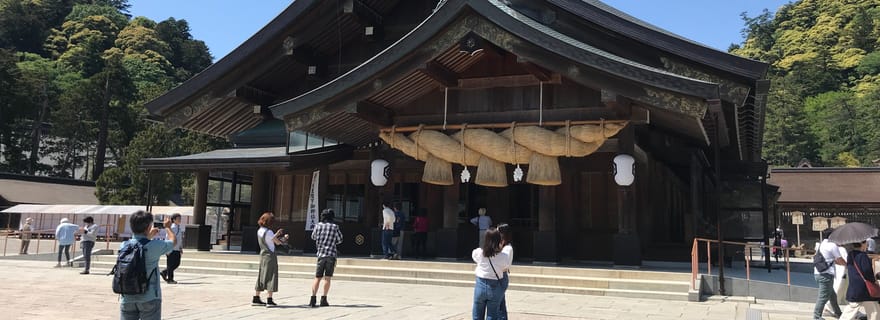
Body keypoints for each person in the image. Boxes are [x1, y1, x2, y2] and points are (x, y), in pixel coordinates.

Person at [119, 210, 176, 320]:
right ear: (149, 226)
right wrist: (168, 227)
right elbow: (173, 242)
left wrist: (148, 235)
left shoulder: (124, 245)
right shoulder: (155, 246)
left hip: (127, 296)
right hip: (149, 296)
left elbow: (138, 244)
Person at [472, 227, 510, 320]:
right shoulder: (503, 256)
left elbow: (475, 257)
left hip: (480, 284)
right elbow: (505, 267)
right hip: (494, 285)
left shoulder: (479, 253)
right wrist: (500, 248)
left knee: (477, 314)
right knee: (492, 315)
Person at [309, 209, 343, 307]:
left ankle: (313, 299)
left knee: (317, 277)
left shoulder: (317, 226)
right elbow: (340, 239)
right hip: (331, 255)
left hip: (320, 254)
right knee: (327, 278)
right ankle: (323, 299)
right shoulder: (335, 227)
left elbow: (313, 237)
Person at [840, 240, 880, 320]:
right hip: (865, 289)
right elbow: (867, 271)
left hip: (854, 287)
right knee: (874, 311)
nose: (867, 245)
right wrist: (875, 279)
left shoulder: (850, 255)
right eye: (866, 243)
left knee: (851, 309)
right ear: (862, 244)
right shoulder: (863, 256)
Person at [814, 228, 846, 320]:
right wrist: (848, 265)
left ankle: (838, 313)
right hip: (826, 274)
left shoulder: (821, 244)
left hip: (818, 273)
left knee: (832, 295)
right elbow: (839, 259)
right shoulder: (832, 245)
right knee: (823, 297)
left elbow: (830, 259)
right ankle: (816, 317)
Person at [253, 212, 283, 307]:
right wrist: (282, 237)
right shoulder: (269, 232)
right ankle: (269, 299)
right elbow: (277, 242)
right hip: (270, 256)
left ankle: (256, 297)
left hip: (262, 254)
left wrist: (276, 234)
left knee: (261, 275)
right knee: (271, 275)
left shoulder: (260, 230)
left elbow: (270, 239)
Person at [160, 213, 184, 284]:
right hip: (171, 248)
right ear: (174, 220)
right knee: (170, 264)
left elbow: (179, 239)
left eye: (180, 218)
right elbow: (168, 237)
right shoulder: (172, 227)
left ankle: (164, 272)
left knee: (177, 263)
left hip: (177, 248)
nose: (180, 220)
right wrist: (167, 248)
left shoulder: (178, 227)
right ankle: (170, 279)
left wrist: (180, 247)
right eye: (178, 219)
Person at [497, 223, 514, 320]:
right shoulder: (501, 246)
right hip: (497, 275)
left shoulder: (508, 248)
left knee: (500, 303)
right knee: (500, 302)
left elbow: (505, 265)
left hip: (502, 276)